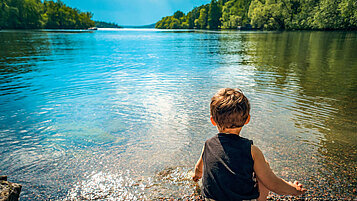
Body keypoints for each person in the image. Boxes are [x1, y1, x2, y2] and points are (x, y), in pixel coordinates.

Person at [192, 88, 307, 201]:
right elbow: (272, 183)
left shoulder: (208, 144)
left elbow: (198, 169)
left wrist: (196, 177)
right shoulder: (252, 151)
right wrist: (294, 190)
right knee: (264, 166)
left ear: (213, 121)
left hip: (210, 199)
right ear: (247, 119)